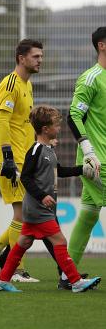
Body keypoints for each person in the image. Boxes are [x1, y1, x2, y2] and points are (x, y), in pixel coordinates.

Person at [0, 106, 101, 293]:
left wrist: (82, 170)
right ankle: (75, 281)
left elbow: (61, 171)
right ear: (45, 129)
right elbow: (25, 177)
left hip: (39, 207)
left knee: (23, 243)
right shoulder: (35, 150)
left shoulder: (48, 150)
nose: (59, 128)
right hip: (38, 208)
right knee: (60, 241)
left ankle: (2, 280)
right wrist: (42, 196)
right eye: (56, 125)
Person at [0, 39, 45, 283]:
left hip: (25, 160)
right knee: (24, 214)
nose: (40, 60)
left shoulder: (27, 85)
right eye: (36, 56)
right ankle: (15, 269)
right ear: (21, 58)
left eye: (41, 56)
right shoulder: (10, 84)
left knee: (25, 215)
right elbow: (3, 121)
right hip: (12, 160)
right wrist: (8, 156)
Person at [66, 27, 106, 280]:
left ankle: (66, 272)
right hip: (98, 160)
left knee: (90, 213)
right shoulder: (91, 78)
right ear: (102, 45)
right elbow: (74, 115)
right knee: (90, 213)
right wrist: (87, 149)